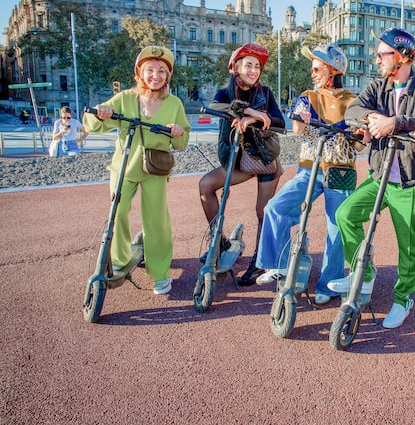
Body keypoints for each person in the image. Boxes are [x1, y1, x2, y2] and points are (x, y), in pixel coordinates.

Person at [327, 27, 415, 329]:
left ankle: (403, 298)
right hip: (380, 176)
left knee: (409, 245)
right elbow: (353, 110)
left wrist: (394, 123)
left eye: (381, 54)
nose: (376, 60)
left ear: (401, 56)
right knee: (346, 214)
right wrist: (371, 118)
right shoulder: (378, 87)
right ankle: (363, 274)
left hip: (411, 181)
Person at [254, 44, 358, 305]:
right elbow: (298, 127)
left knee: (336, 228)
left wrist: (358, 133)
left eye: (317, 69)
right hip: (309, 169)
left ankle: (329, 284)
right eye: (312, 69)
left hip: (340, 172)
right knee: (275, 208)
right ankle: (279, 265)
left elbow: (359, 145)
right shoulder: (309, 96)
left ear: (333, 70)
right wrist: (301, 117)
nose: (312, 74)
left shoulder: (352, 101)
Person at [84, 45, 190, 295]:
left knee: (156, 220)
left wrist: (177, 132)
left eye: (162, 71)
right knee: (117, 212)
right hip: (124, 167)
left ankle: (160, 272)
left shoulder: (174, 103)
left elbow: (183, 141)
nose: (156, 75)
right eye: (150, 69)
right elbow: (91, 124)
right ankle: (120, 259)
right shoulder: (125, 98)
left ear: (168, 76)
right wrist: (101, 113)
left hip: (155, 168)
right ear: (139, 73)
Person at [197, 43, 285, 286]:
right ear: (235, 67)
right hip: (237, 160)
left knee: (262, 211)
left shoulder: (265, 92)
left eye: (257, 66)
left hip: (264, 159)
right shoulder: (225, 93)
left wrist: (255, 120)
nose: (253, 70)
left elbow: (280, 122)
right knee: (205, 186)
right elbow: (214, 107)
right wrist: (248, 111)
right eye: (248, 65)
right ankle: (221, 242)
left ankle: (260, 261)